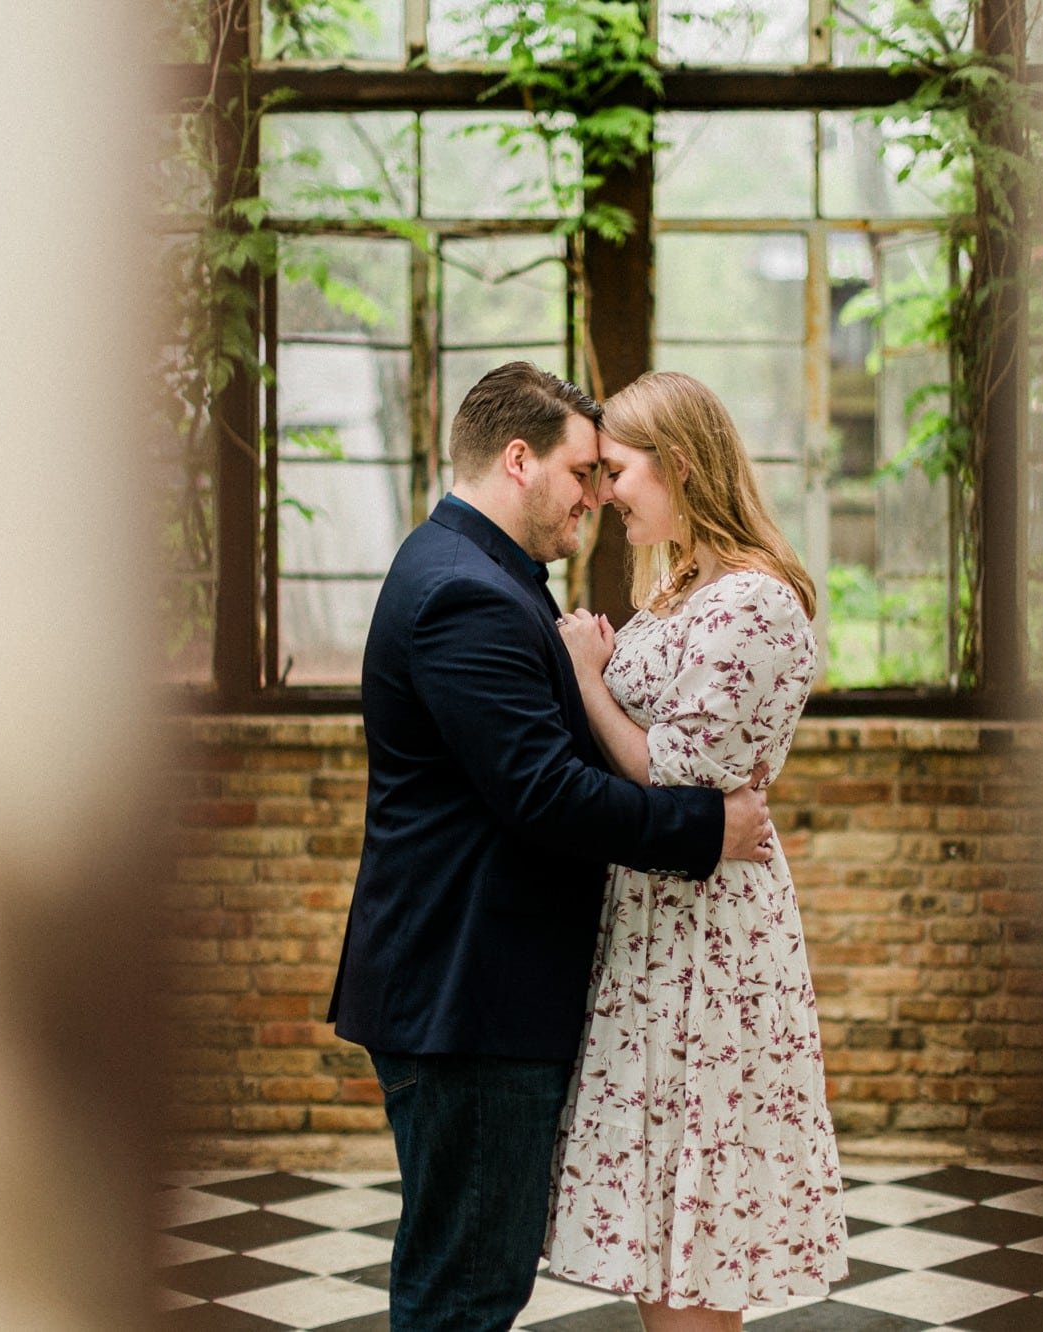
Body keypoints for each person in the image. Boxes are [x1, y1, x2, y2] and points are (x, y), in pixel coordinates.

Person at [326, 361, 778, 1332]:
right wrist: (708, 826)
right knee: (465, 1292)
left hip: (472, 993)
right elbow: (541, 793)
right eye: (582, 473)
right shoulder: (465, 594)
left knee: (467, 1279)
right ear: (519, 459)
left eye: (611, 473)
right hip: (468, 997)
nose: (596, 496)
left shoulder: (476, 574)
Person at [542, 370, 848, 1329]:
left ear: (677, 465)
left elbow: (675, 779)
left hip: (709, 939)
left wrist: (590, 678)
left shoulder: (753, 603)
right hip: (655, 926)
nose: (600, 495)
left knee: (698, 1232)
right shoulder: (684, 584)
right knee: (660, 1231)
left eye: (617, 471)